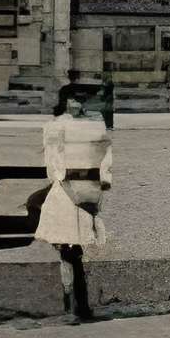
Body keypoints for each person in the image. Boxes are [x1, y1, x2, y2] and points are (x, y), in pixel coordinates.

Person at [37, 79, 115, 324]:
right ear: (64, 101)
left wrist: (99, 186)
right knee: (67, 248)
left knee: (77, 250)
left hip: (86, 191)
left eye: (81, 99)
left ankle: (79, 305)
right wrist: (69, 189)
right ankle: (71, 304)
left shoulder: (94, 126)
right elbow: (53, 163)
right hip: (65, 193)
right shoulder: (55, 126)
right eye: (73, 99)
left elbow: (104, 156)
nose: (78, 104)